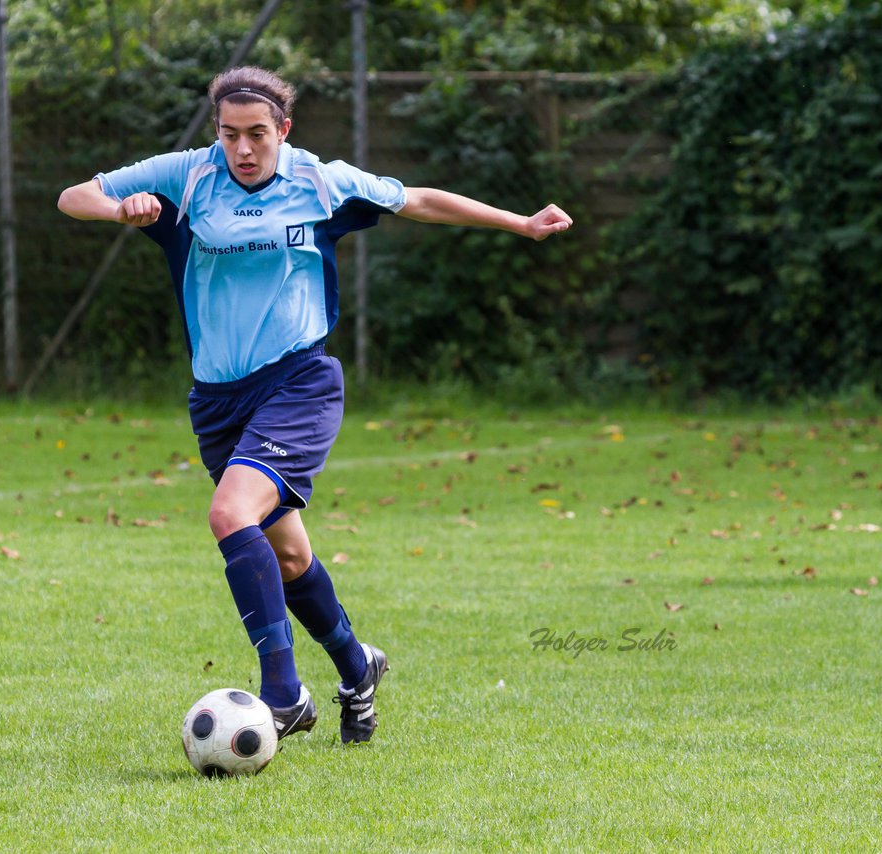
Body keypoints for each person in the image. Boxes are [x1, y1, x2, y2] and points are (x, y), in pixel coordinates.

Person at [58, 66, 572, 745]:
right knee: (290, 556)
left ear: (284, 131)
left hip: (299, 383)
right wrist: (117, 208)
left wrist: (520, 223)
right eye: (229, 134)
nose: (242, 149)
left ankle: (284, 693)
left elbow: (416, 200)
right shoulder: (186, 176)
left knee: (229, 513)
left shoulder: (319, 182)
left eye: (257, 135)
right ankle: (358, 670)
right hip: (217, 400)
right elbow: (74, 196)